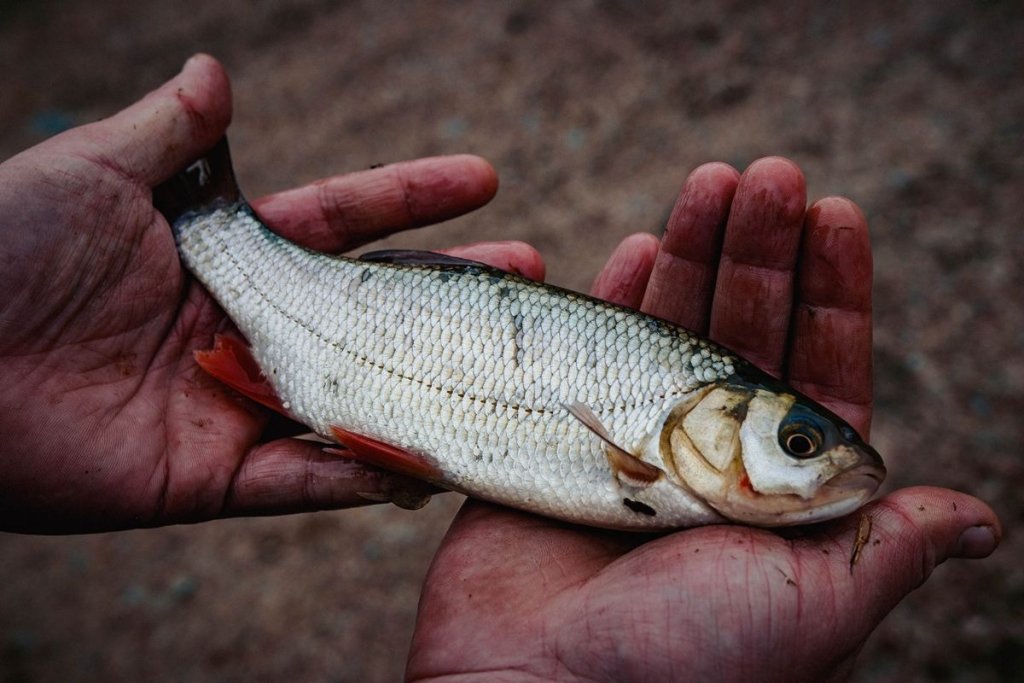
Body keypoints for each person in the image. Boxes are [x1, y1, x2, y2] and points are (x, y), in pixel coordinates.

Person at [0, 55, 999, 681]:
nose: (818, 463)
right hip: (341, 337)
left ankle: (219, 231)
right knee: (267, 296)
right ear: (714, 415)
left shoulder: (678, 482)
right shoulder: (652, 469)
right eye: (798, 439)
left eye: (800, 443)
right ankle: (210, 223)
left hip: (358, 350)